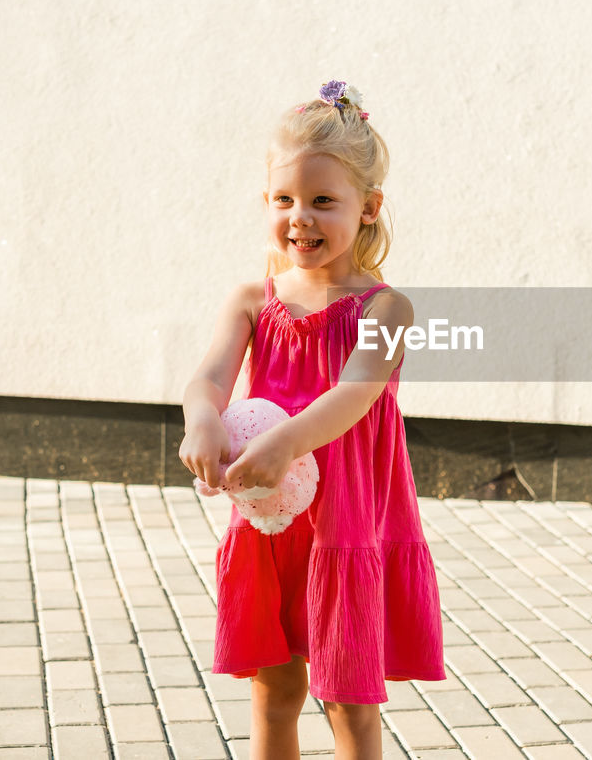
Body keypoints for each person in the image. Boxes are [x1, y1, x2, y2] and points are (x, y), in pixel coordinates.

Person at [178, 80, 445, 760]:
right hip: (273, 525)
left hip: (346, 525)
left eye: (324, 200)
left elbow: (353, 394)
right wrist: (200, 417)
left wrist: (282, 442)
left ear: (367, 209)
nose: (301, 216)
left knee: (348, 706)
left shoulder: (388, 311)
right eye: (284, 199)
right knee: (273, 695)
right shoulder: (249, 300)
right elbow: (209, 374)